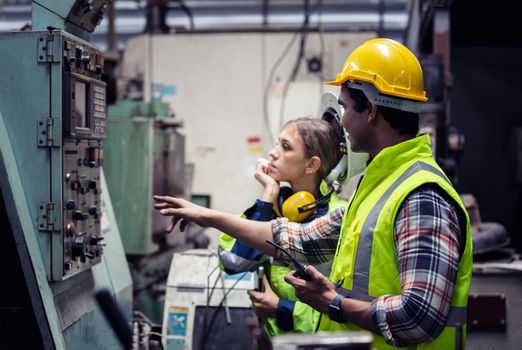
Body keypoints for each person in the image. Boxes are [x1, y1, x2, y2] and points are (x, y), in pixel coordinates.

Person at [154, 38, 472, 349]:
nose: (342, 122)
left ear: (372, 110)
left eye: (345, 107)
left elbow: (419, 317)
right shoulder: (380, 184)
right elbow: (301, 239)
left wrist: (332, 301)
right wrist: (207, 217)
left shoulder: (421, 195)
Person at [218, 117, 348, 336]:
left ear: (311, 164)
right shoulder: (274, 208)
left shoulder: (338, 218)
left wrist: (281, 310)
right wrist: (268, 195)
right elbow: (233, 263)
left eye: (285, 147)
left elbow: (341, 310)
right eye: (277, 143)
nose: (272, 153)